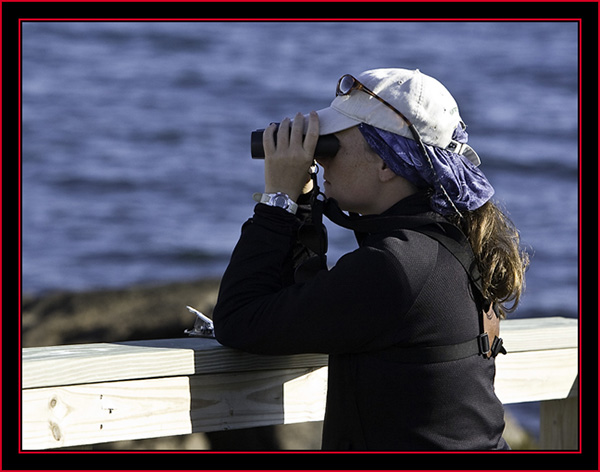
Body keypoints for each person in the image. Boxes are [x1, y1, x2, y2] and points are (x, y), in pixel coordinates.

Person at [212, 68, 529, 450]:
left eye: (332, 144)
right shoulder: (452, 244)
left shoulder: (395, 267)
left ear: (386, 163)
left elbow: (237, 319)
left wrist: (277, 199)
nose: (322, 160)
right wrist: (303, 203)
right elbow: (300, 302)